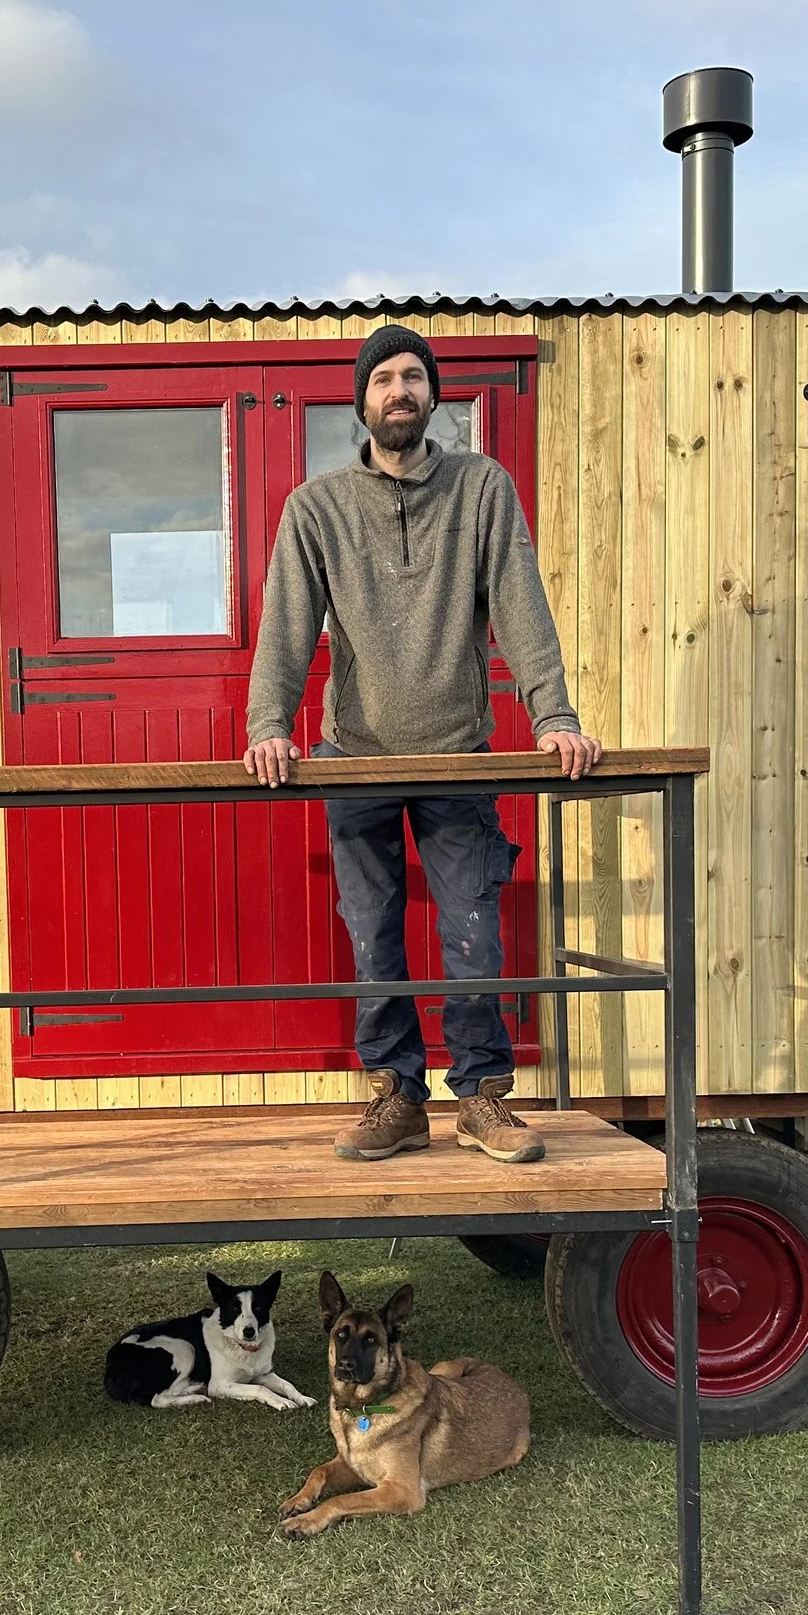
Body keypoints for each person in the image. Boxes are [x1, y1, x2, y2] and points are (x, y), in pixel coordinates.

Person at [244, 325, 600, 1165]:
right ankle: (397, 1097)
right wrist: (268, 725)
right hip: (355, 755)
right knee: (373, 932)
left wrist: (553, 715)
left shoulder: (483, 489)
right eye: (383, 380)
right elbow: (286, 623)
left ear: (432, 396)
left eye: (413, 377)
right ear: (362, 402)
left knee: (473, 928)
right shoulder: (316, 508)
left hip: (457, 752)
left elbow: (521, 605)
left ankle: (480, 1097)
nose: (399, 390)